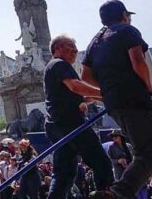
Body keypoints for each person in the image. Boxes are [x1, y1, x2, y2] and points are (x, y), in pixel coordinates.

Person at [82, 0, 152, 198]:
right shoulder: (127, 30)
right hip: (136, 99)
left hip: (114, 104)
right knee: (148, 155)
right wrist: (147, 86)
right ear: (123, 15)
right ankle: (117, 193)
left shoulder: (95, 41)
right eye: (128, 15)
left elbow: (86, 76)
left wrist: (109, 89)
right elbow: (138, 60)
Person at [44, 34, 113, 198]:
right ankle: (104, 194)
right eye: (70, 46)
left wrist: (102, 97)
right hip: (71, 123)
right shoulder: (60, 64)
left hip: (55, 124)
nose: (75, 50)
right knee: (101, 163)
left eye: (75, 48)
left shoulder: (53, 68)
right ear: (58, 48)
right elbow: (75, 86)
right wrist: (106, 93)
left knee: (64, 173)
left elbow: (80, 97)